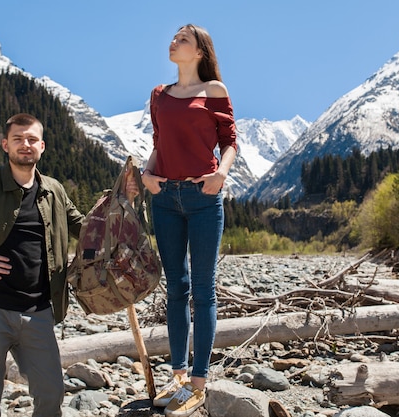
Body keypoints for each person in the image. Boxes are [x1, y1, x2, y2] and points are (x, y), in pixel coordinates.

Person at [0, 113, 138, 417]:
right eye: (18, 139)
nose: (25, 145)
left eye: (32, 139)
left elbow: (87, 233)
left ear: (42, 146)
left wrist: (123, 204)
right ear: (5, 144)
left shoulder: (54, 190)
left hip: (39, 311)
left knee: (51, 394)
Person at [141, 24, 237, 417]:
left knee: (203, 290)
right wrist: (148, 175)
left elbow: (230, 141)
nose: (174, 42)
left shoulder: (215, 91)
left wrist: (220, 175)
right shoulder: (159, 95)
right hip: (164, 199)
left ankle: (198, 382)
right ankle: (177, 378)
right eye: (174, 37)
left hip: (203, 198)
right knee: (176, 289)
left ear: (199, 51)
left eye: (183, 39)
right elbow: (158, 143)